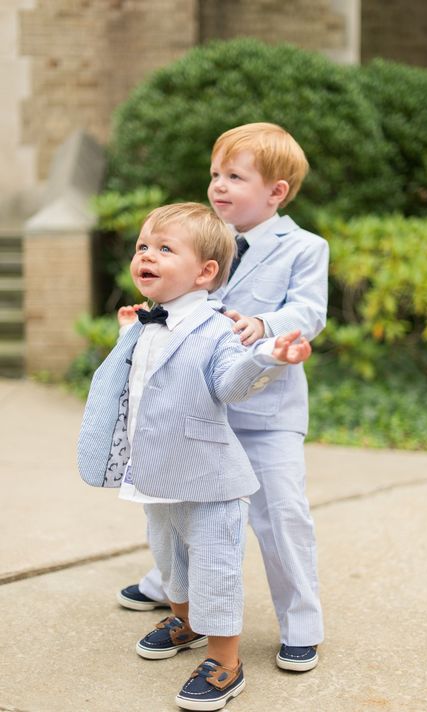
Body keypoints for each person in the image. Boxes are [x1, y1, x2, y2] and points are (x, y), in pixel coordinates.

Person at [77, 202, 311, 711]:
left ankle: (226, 662)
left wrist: (266, 356)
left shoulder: (216, 329)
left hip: (209, 478)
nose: (147, 255)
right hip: (155, 471)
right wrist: (126, 334)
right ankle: (184, 622)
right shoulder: (145, 324)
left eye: (164, 248)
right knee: (169, 555)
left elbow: (229, 384)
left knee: (214, 566)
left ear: (205, 272)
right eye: (143, 246)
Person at [118, 122, 329, 674]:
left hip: (266, 412)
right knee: (177, 509)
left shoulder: (303, 247)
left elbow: (309, 313)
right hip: (197, 412)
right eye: (215, 174)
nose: (219, 185)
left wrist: (262, 324)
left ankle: (301, 623)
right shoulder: (198, 235)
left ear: (275, 192)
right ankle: (169, 590)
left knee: (281, 515)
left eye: (235, 176)